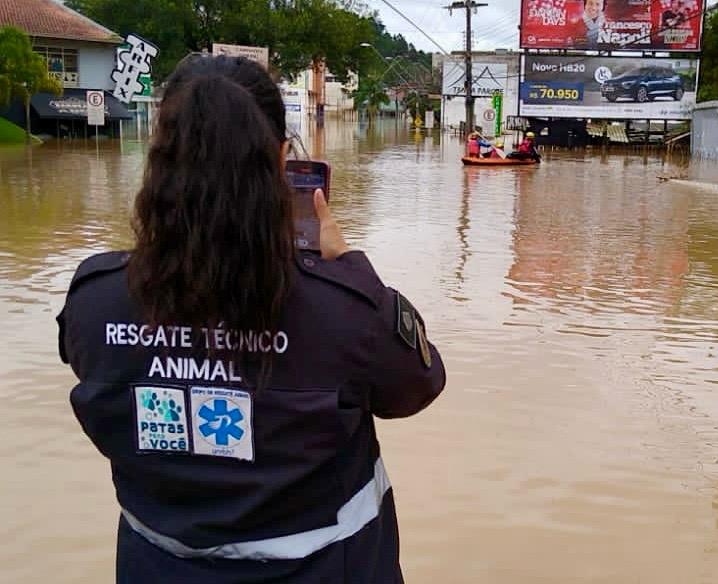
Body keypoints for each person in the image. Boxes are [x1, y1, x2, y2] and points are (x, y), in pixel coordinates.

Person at [55, 54, 446, 584]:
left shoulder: (95, 302)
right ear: (282, 160)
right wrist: (351, 265)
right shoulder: (342, 309)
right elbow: (418, 384)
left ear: (159, 159)